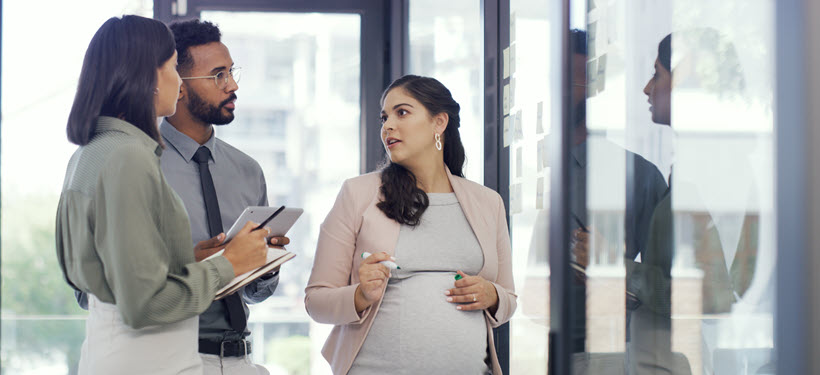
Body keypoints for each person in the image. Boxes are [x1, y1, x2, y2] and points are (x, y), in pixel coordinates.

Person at [55, 15, 269, 374]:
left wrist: (187, 258)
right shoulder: (129, 158)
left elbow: (108, 273)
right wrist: (227, 264)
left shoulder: (91, 153)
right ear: (149, 78)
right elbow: (143, 303)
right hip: (149, 359)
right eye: (171, 68)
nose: (178, 84)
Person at [304, 75, 517, 374]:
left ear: (438, 123)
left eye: (402, 112)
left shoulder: (488, 202)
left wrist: (492, 295)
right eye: (385, 117)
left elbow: (508, 299)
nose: (388, 125)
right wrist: (361, 294)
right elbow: (316, 301)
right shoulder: (357, 194)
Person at [164, 19, 289, 374]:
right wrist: (192, 263)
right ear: (179, 86)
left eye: (231, 72)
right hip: (172, 358)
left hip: (242, 360)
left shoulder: (248, 170)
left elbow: (255, 295)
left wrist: (265, 266)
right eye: (218, 75)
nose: (232, 85)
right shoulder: (143, 165)